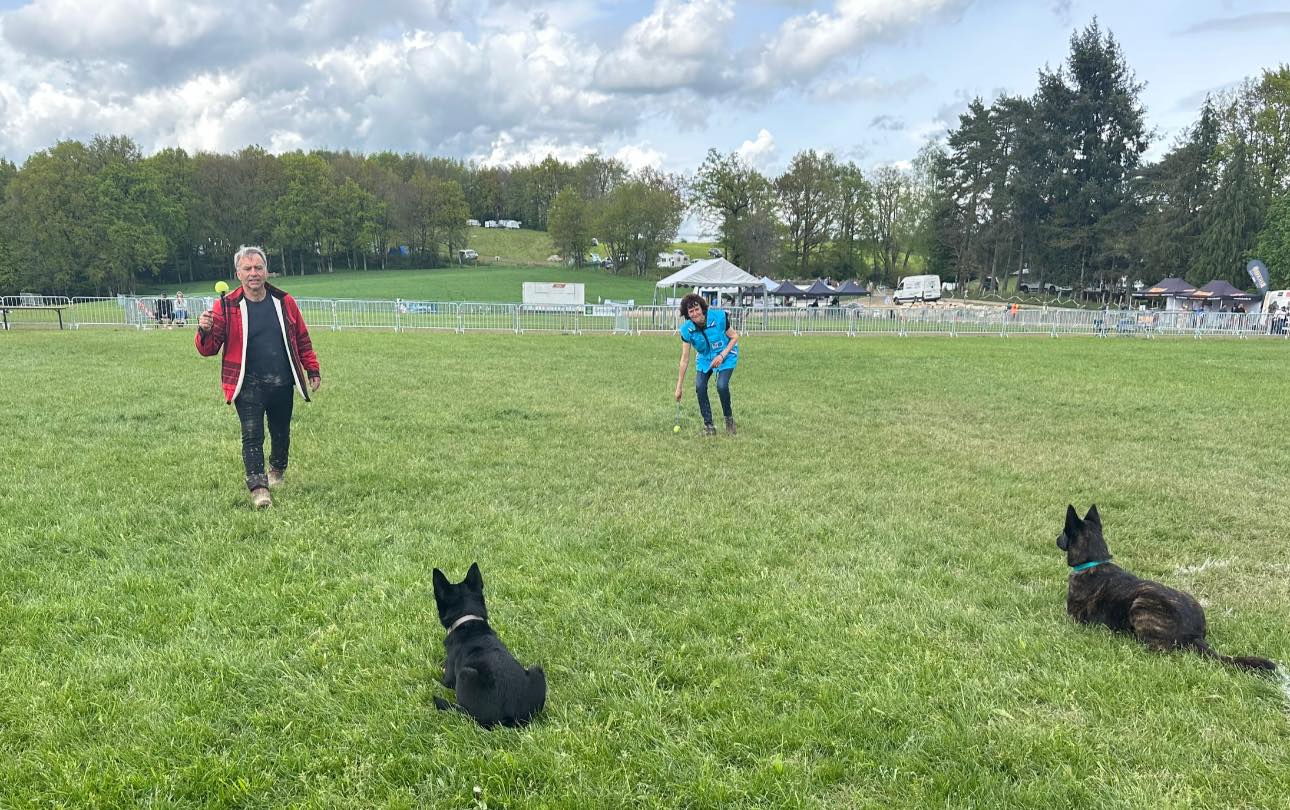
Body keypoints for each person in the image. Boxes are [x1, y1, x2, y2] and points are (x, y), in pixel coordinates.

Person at [196, 246, 321, 508]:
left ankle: (277, 470)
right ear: (238, 274)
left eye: (258, 268)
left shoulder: (284, 301)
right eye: (247, 268)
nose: (253, 273)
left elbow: (301, 338)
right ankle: (259, 488)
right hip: (247, 382)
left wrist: (312, 369)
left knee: (280, 432)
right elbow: (209, 349)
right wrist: (204, 330)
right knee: (252, 435)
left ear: (266, 271)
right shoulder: (226, 306)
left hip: (282, 380)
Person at [673, 293, 739, 436]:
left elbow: (734, 337)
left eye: (697, 309)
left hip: (726, 354)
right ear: (687, 314)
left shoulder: (719, 317)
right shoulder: (687, 330)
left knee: (722, 386)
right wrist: (679, 387)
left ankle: (729, 421)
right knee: (700, 386)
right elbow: (685, 359)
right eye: (691, 311)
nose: (695, 313)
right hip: (705, 359)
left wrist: (722, 355)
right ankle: (709, 427)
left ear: (702, 308)